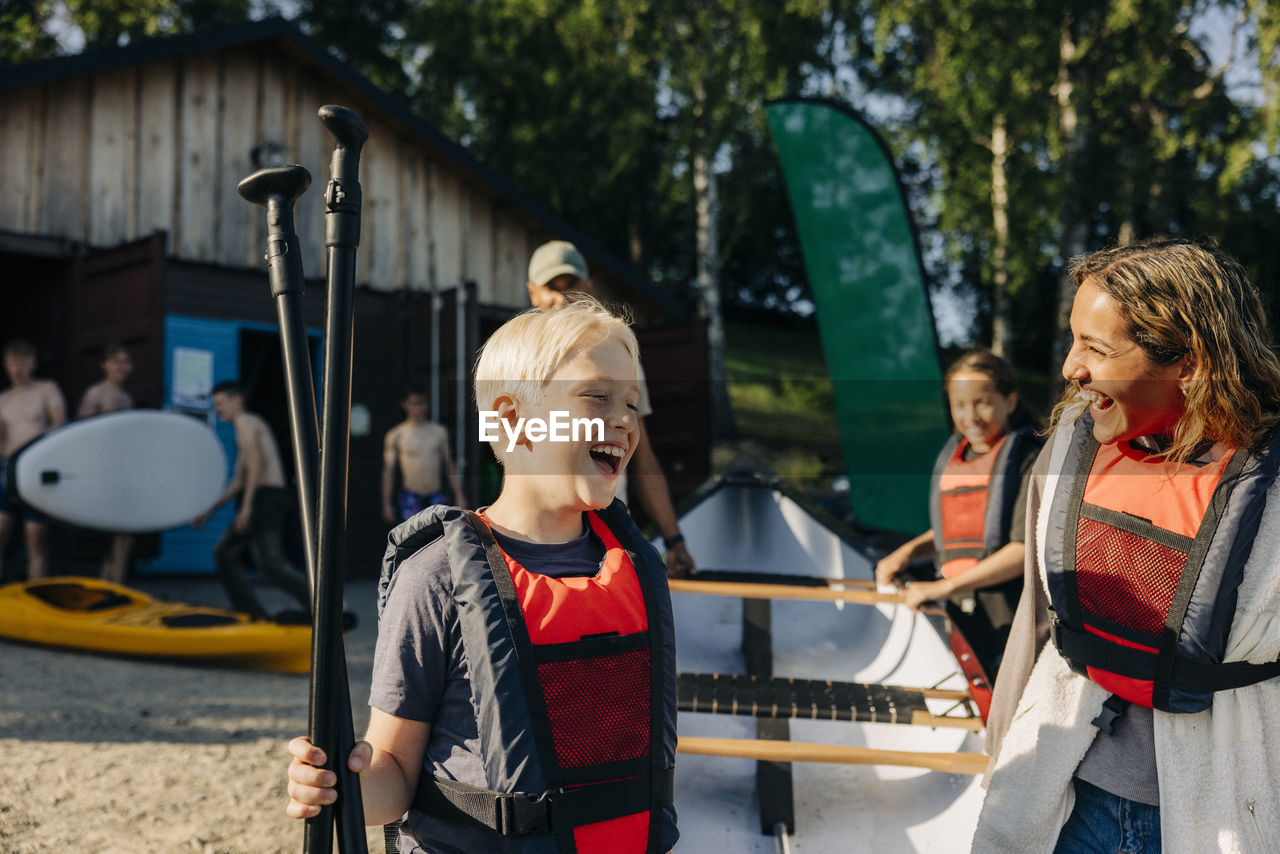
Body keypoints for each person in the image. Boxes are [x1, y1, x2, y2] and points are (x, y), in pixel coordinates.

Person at [285, 297, 679, 853]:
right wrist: (337, 789)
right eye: (597, 395)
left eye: (632, 403)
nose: (623, 420)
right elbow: (393, 775)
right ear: (513, 421)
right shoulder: (436, 576)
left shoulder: (635, 571)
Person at [973, 239, 1280, 853]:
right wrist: (1000, 756)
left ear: (1191, 362)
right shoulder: (1068, 446)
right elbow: (1035, 617)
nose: (1069, 368)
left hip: (1220, 808)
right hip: (1068, 795)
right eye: (1072, 339)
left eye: (1096, 348)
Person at [525, 239, 695, 577]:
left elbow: (643, 457)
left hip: (610, 542)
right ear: (533, 294)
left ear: (588, 287)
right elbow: (502, 446)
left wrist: (673, 538)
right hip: (538, 542)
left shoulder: (619, 360)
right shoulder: (518, 361)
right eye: (550, 287)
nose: (562, 297)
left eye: (570, 284)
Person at [874, 348, 1042, 678]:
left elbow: (1023, 549)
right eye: (960, 405)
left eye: (982, 402)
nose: (971, 416)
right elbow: (960, 530)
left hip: (1010, 612)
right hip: (961, 607)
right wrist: (907, 552)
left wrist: (942, 589)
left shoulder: (1031, 458)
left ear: (1009, 401)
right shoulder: (956, 455)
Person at [192, 380, 310, 620]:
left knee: (269, 563)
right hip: (263, 496)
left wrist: (246, 509)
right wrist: (209, 511)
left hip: (268, 497)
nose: (218, 409)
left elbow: (256, 466)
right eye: (215, 404)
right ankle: (250, 611)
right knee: (226, 553)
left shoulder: (246, 422)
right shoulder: (243, 426)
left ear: (238, 400)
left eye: (221, 403)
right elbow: (238, 480)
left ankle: (324, 606)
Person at [0, 339, 67, 579]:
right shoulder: (3, 399)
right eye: (13, 364)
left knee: (35, 538)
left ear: (32, 364)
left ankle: (36, 595)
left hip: (37, 468)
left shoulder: (47, 389)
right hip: (7, 469)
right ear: (6, 366)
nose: (17, 369)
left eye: (22, 363)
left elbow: (60, 429)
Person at [76, 342, 135, 583]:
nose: (121, 367)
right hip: (101, 469)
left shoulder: (126, 397)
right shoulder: (96, 393)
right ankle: (107, 584)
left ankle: (114, 582)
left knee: (125, 530)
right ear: (105, 365)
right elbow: (81, 431)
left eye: (125, 362)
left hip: (121, 469)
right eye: (116, 361)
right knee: (113, 530)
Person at [381, 382, 466, 525]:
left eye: (424, 402)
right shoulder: (396, 435)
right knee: (410, 540)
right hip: (410, 497)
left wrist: (459, 494)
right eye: (416, 403)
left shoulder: (439, 432)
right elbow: (389, 471)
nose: (420, 407)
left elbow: (449, 465)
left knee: (440, 539)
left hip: (436, 496)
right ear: (405, 404)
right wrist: (387, 503)